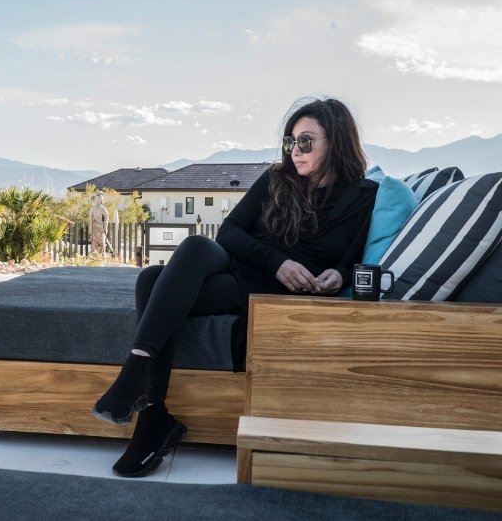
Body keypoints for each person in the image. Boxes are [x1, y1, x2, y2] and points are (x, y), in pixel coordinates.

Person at [91, 97, 379, 478]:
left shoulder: (364, 196)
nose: (295, 151)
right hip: (241, 264)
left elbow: (355, 257)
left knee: (150, 279)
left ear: (336, 141)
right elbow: (229, 232)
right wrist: (276, 261)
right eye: (291, 142)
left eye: (306, 141)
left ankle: (152, 414)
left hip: (263, 291)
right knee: (194, 246)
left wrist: (340, 275)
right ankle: (138, 381)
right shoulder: (278, 178)